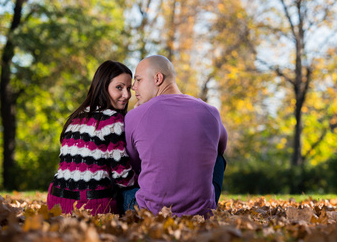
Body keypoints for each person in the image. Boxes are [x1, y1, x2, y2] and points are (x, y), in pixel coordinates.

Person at [123, 55, 227, 217]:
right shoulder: (210, 111)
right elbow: (220, 149)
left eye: (138, 80)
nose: (133, 87)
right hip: (201, 214)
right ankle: (199, 204)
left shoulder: (135, 116)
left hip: (150, 213)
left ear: (158, 78)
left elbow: (133, 164)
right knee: (218, 158)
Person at [47, 60, 136, 215]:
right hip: (91, 205)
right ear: (103, 86)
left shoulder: (76, 117)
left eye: (129, 88)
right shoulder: (112, 119)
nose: (127, 95)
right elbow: (122, 177)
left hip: (56, 202)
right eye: (119, 87)